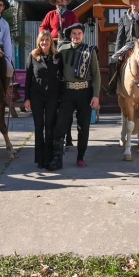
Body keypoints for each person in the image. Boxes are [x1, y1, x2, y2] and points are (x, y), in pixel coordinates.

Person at [47, 23, 100, 171]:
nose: (77, 36)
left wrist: (96, 96)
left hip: (85, 93)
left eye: (79, 33)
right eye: (74, 33)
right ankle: (57, 158)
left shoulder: (89, 51)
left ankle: (80, 157)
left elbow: (96, 76)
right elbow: (54, 70)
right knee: (61, 125)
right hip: (67, 93)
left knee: (83, 127)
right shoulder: (62, 50)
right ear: (70, 35)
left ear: (83, 35)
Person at [39, 0, 78, 147]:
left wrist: (70, 35)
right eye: (59, 1)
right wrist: (48, 35)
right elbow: (43, 27)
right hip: (54, 44)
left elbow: (76, 28)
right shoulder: (50, 14)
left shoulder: (72, 15)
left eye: (63, 1)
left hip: (68, 45)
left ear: (66, 3)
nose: (61, 3)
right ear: (55, 3)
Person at [24, 31, 61, 169]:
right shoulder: (32, 56)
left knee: (50, 127)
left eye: (47, 40)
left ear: (51, 42)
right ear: (38, 42)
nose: (44, 43)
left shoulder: (57, 56)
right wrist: (27, 98)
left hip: (52, 96)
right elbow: (28, 79)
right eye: (42, 40)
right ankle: (40, 159)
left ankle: (49, 158)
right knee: (39, 127)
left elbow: (61, 77)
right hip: (37, 96)